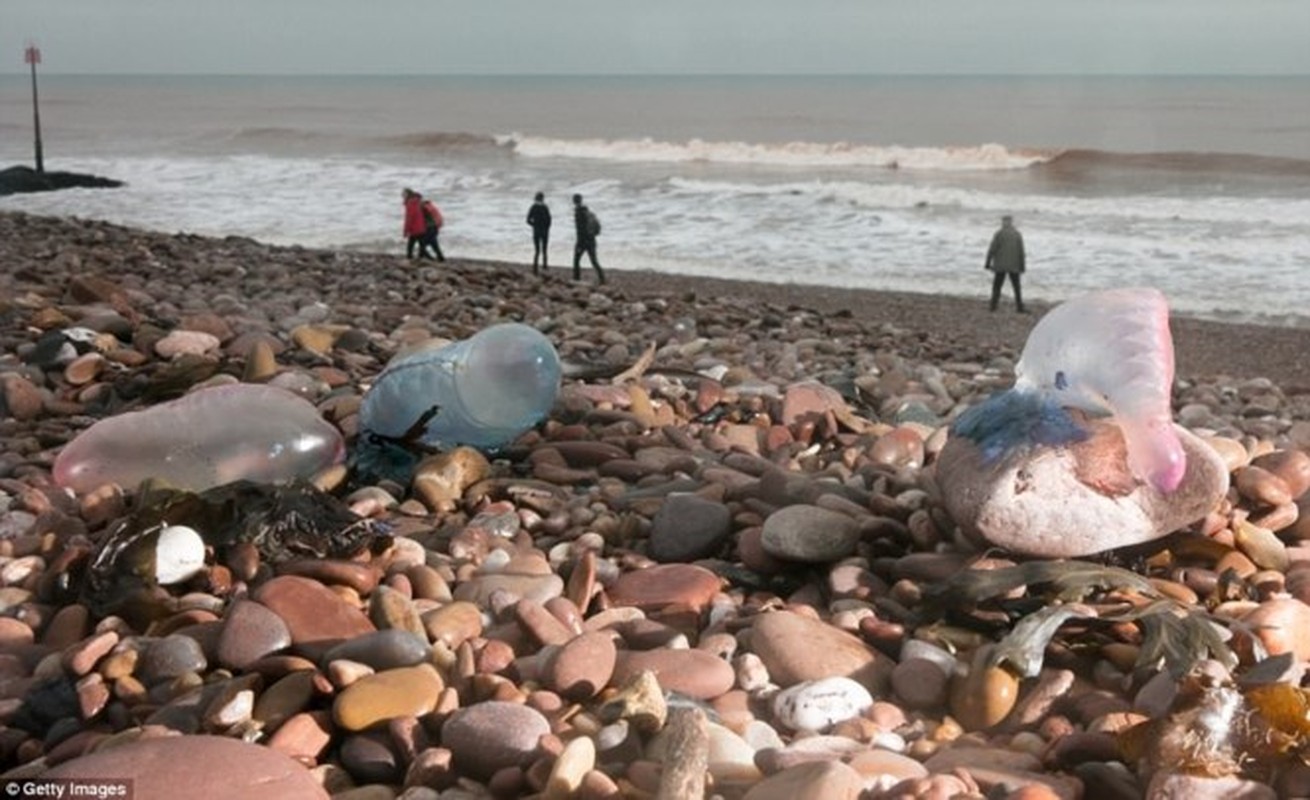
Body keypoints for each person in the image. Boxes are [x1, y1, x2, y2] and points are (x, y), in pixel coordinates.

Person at [985, 214, 1026, 312]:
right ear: (1011, 222)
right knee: (1016, 287)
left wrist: (987, 262)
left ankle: (993, 306)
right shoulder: (1017, 234)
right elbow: (1021, 252)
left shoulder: (999, 234)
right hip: (1014, 266)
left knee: (997, 287)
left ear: (1003, 222)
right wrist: (1022, 266)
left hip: (1000, 266)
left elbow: (992, 249)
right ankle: (1019, 307)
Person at [572, 193, 605, 285]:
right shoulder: (587, 211)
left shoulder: (579, 213)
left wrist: (579, 242)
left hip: (583, 241)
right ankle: (602, 278)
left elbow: (580, 230)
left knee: (576, 260)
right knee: (594, 260)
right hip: (591, 239)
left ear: (574, 201)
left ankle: (576, 278)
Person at [526, 191, 551, 274]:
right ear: (543, 199)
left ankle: (535, 268)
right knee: (544, 249)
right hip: (545, 231)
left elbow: (528, 220)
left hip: (536, 231)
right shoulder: (545, 207)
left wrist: (534, 225)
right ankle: (545, 266)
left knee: (537, 250)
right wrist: (546, 228)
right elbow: (549, 220)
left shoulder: (533, 207)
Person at [420, 195, 446, 262]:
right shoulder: (431, 206)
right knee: (434, 244)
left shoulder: (426, 208)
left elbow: (423, 219)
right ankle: (440, 257)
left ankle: (424, 257)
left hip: (431, 227)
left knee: (423, 243)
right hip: (435, 227)